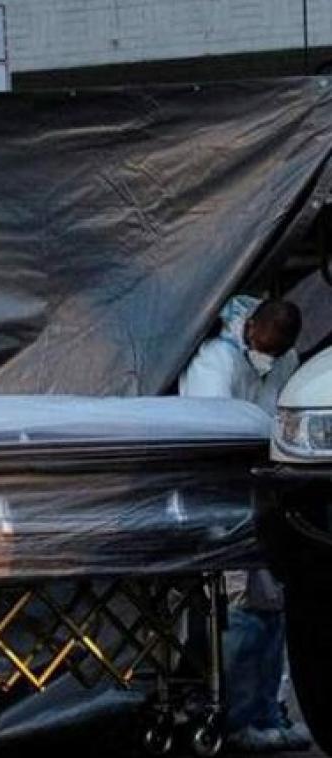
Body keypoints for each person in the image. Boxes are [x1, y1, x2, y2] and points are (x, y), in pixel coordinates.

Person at [180, 294, 310, 753]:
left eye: (278, 352)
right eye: (265, 348)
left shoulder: (282, 358)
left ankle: (267, 713)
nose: (269, 359)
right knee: (237, 610)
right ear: (250, 328)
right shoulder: (216, 360)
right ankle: (236, 719)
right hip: (224, 498)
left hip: (265, 497)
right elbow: (213, 430)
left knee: (273, 608)